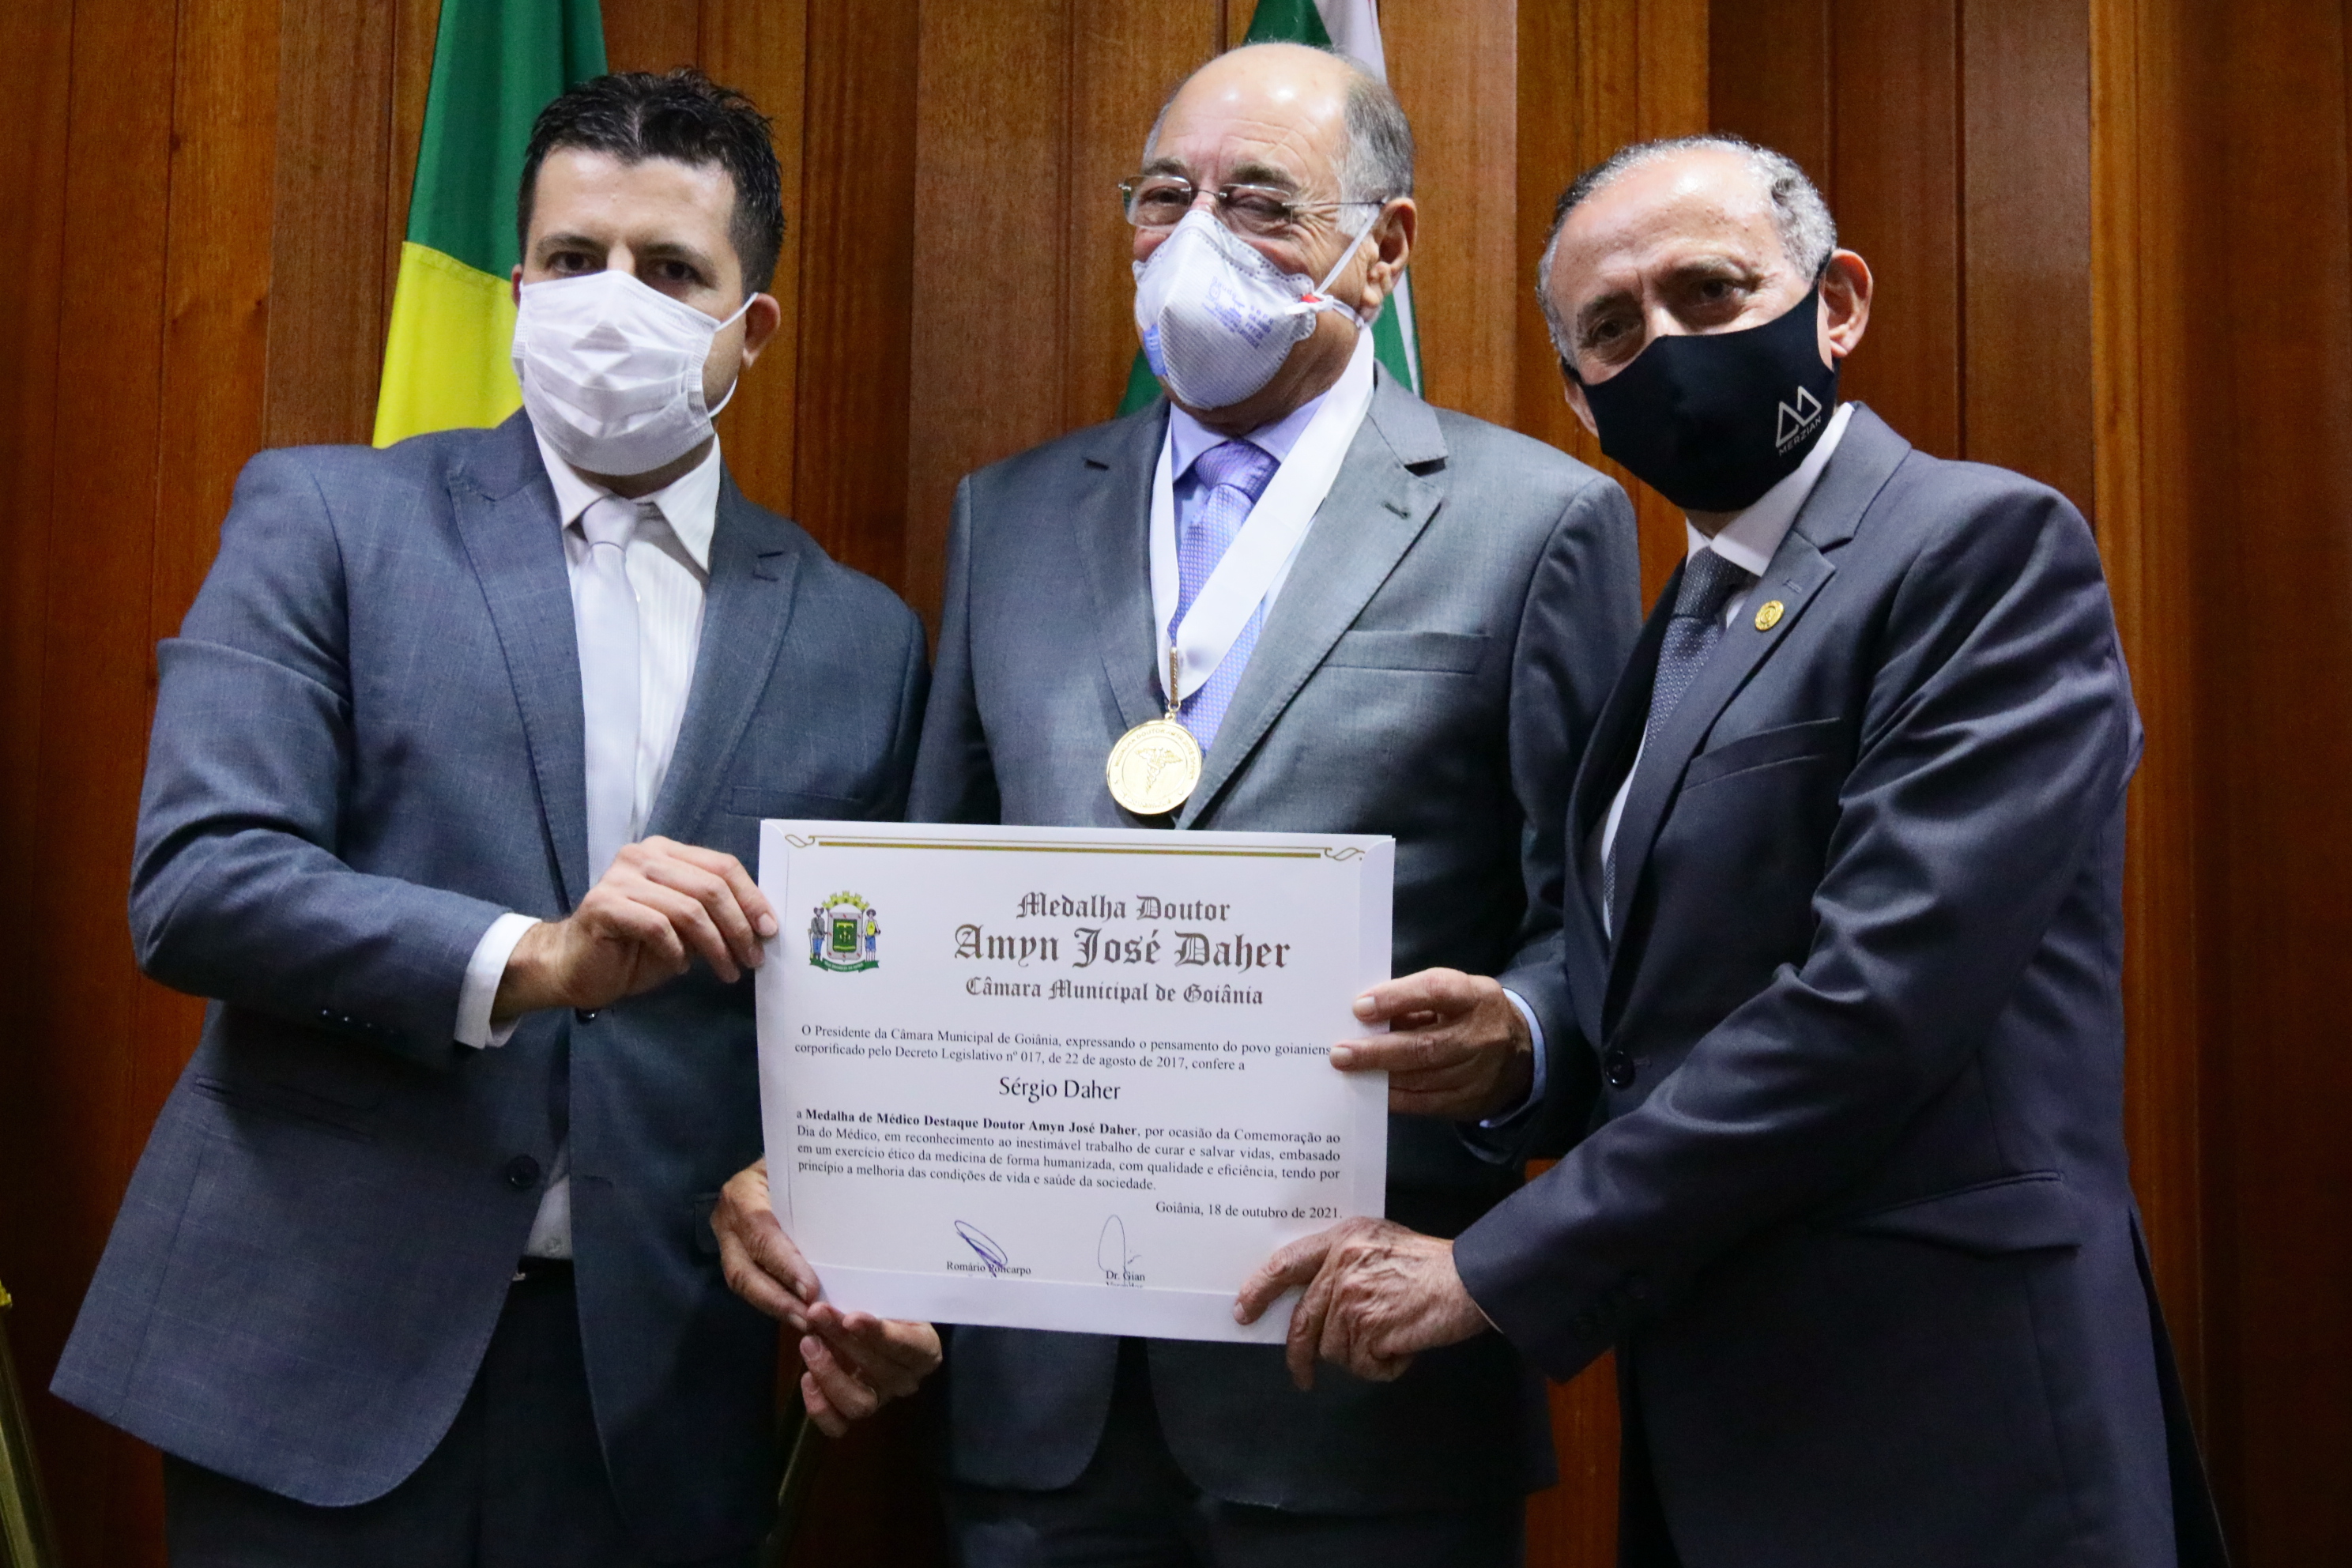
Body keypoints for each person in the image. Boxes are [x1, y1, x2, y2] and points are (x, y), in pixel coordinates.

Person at [1238, 135, 2230, 1567]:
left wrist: (1491, 1267)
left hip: (1952, 1417)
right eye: (1612, 329)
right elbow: (1681, 997)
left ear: (1838, 303)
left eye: (1710, 292)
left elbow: (1872, 1006)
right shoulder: (1693, 613)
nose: (1667, 348)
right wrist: (1525, 1050)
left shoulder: (1980, 548)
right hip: (1732, 1416)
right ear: (1580, 399)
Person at [715, 40, 1642, 1566]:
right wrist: (848, 1183)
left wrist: (1519, 1040)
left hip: (1357, 1380)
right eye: (1164, 196)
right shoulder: (1009, 513)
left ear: (1384, 247)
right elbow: (933, 914)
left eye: (1262, 202)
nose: (1198, 235)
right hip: (1033, 1394)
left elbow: (1599, 929)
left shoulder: (1534, 521)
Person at [51, 70, 936, 1568]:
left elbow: (866, 1012)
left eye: (670, 271)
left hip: (653, 1394)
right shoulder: (329, 520)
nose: (611, 301)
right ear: (518, 289)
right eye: (574, 259)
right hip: (315, 1353)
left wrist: (858, 1236)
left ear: (751, 328)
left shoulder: (863, 637)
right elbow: (200, 881)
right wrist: (533, 958)